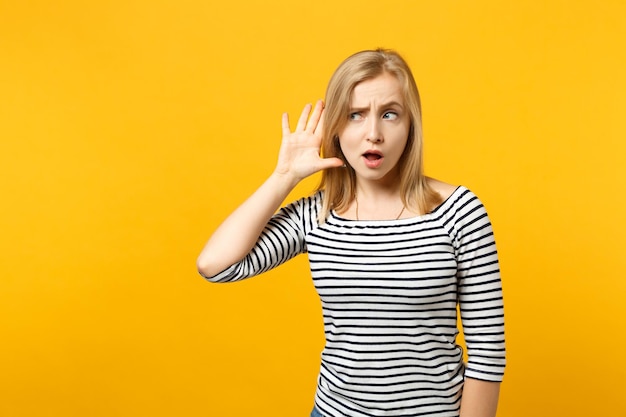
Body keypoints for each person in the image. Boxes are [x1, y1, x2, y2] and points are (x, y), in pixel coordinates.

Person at [197, 48, 506, 417]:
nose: (373, 133)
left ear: (411, 126)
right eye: (355, 115)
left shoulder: (458, 211)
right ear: (337, 129)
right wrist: (284, 177)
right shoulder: (318, 214)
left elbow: (487, 352)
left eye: (390, 114)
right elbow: (215, 265)